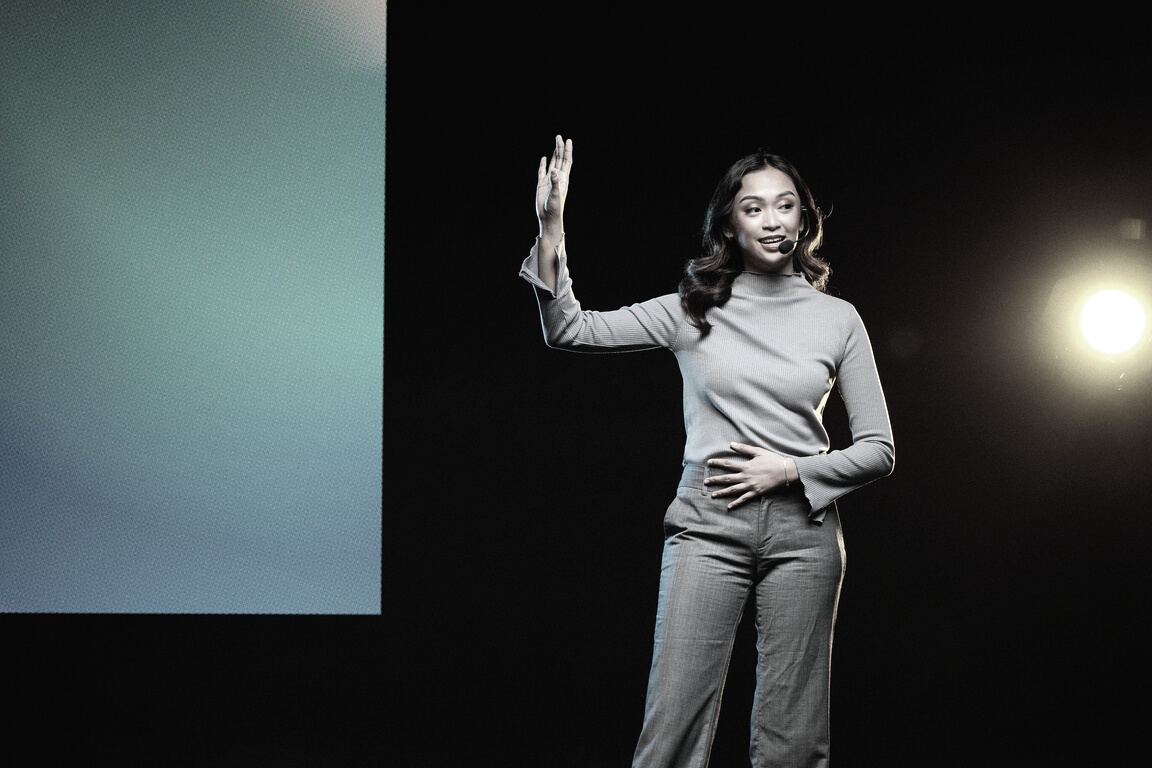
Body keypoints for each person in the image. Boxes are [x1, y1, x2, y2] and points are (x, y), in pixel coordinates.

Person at [520, 135, 894, 768]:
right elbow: (568, 329)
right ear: (729, 221)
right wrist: (551, 228)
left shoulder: (839, 319)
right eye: (754, 208)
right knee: (671, 737)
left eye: (786, 207)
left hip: (804, 533)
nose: (773, 222)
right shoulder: (692, 310)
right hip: (707, 524)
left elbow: (880, 451)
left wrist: (792, 469)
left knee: (794, 744)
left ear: (805, 217)